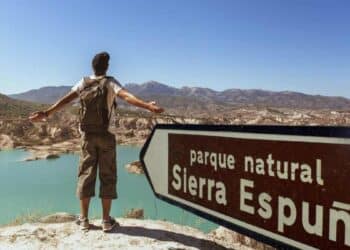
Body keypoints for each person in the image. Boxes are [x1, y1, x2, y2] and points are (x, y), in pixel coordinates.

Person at [29, 52, 164, 232]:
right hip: (107, 135)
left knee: (86, 174)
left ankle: (83, 219)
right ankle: (106, 221)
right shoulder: (110, 82)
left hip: (87, 136)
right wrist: (148, 106)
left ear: (92, 67)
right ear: (106, 67)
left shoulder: (83, 83)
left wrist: (46, 113)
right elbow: (127, 97)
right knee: (107, 176)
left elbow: (66, 100)